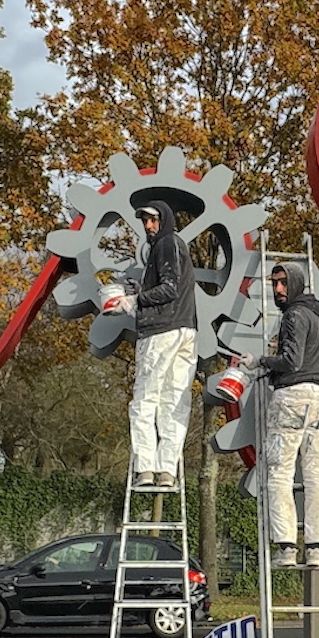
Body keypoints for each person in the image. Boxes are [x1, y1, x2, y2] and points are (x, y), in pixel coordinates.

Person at [238, 262, 319, 568]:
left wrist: (260, 362)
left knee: (279, 473)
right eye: (274, 283)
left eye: (282, 283)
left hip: (291, 399)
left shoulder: (293, 315)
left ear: (294, 284)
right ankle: (317, 547)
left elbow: (291, 361)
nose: (277, 289)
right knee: (317, 474)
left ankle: (286, 546)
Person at [118, 200, 197, 490]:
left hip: (161, 331)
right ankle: (167, 470)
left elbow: (169, 288)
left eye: (153, 220)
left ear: (164, 220)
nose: (149, 227)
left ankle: (145, 468)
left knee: (144, 401)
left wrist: (136, 300)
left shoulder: (165, 244)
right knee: (174, 401)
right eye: (145, 221)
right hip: (186, 329)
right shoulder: (176, 245)